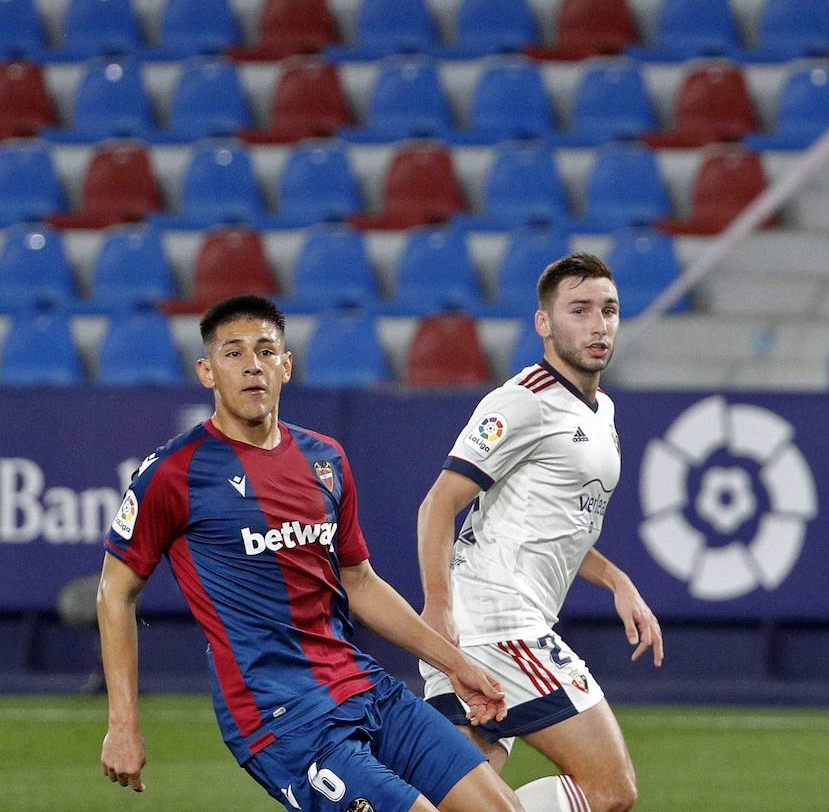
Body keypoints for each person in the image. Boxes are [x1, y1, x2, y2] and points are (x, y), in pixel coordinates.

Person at [97, 295, 522, 812]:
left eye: (266, 351)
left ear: (287, 365)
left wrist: (456, 665)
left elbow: (359, 582)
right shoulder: (172, 472)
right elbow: (115, 592)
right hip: (281, 720)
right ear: (207, 372)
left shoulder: (326, 459)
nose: (253, 364)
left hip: (362, 686)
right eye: (233, 354)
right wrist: (123, 724)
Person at [416, 253, 663, 812]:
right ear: (544, 324)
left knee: (461, 801)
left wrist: (616, 579)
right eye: (579, 310)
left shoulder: (602, 412)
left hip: (489, 624)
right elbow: (438, 505)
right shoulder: (524, 399)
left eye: (609, 310)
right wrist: (437, 612)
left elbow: (555, 529)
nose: (598, 325)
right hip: (496, 624)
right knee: (610, 791)